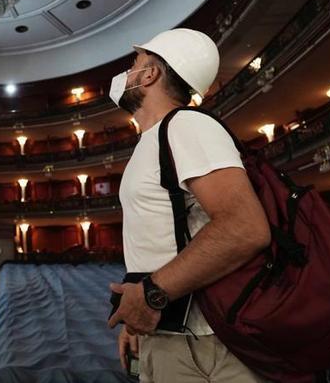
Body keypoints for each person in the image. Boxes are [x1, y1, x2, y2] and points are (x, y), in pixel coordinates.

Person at [106, 29, 272, 382]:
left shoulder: (186, 126)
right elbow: (161, 241)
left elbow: (244, 228)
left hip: (206, 342)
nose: (127, 72)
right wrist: (136, 320)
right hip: (171, 331)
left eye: (134, 63)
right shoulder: (156, 138)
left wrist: (150, 295)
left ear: (150, 74)